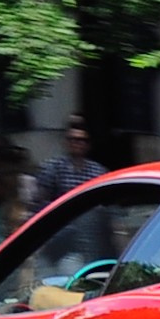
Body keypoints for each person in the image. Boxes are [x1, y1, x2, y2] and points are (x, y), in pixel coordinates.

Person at [34, 115, 109, 275]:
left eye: (82, 140)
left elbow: (104, 208)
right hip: (56, 237)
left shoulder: (98, 172)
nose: (77, 143)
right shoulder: (53, 168)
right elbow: (41, 201)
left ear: (88, 144)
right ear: (67, 142)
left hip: (85, 241)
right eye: (73, 139)